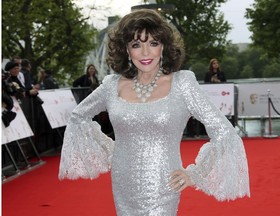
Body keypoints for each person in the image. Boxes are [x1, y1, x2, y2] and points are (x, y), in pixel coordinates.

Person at [59, 9, 250, 215]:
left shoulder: (182, 84)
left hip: (164, 182)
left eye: (153, 43)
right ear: (126, 50)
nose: (145, 52)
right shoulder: (111, 86)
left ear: (164, 47)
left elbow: (225, 132)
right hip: (123, 182)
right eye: (136, 45)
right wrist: (110, 151)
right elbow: (78, 117)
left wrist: (195, 173)